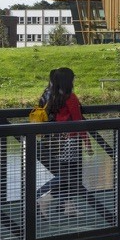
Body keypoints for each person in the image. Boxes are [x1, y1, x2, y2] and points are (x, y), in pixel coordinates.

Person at [39, 67, 86, 219]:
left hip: (54, 142)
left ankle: (68, 206)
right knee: (70, 176)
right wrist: (88, 143)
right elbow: (78, 120)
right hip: (70, 142)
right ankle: (42, 198)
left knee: (66, 174)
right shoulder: (70, 97)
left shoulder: (48, 95)